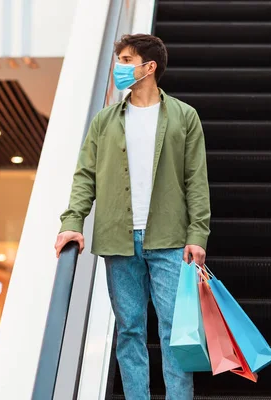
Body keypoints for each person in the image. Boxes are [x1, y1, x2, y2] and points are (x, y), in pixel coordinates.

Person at [55, 34, 210, 400]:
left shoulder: (184, 117)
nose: (119, 67)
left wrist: (197, 235)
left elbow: (196, 181)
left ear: (149, 67)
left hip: (170, 240)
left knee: (177, 331)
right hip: (119, 239)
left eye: (126, 60)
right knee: (128, 331)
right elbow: (85, 176)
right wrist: (72, 222)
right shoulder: (105, 121)